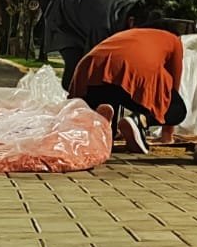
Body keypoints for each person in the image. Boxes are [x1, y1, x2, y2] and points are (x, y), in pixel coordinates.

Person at [68, 20, 188, 154]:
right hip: (134, 69)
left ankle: (102, 123)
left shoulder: (127, 33)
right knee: (178, 109)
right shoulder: (173, 39)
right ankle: (139, 120)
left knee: (112, 94)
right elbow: (174, 83)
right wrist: (167, 135)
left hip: (88, 71)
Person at [40, 0, 152, 90]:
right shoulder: (103, 25)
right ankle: (72, 100)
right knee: (77, 68)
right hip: (64, 16)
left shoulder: (144, 9)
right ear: (131, 22)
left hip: (89, 15)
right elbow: (92, 63)